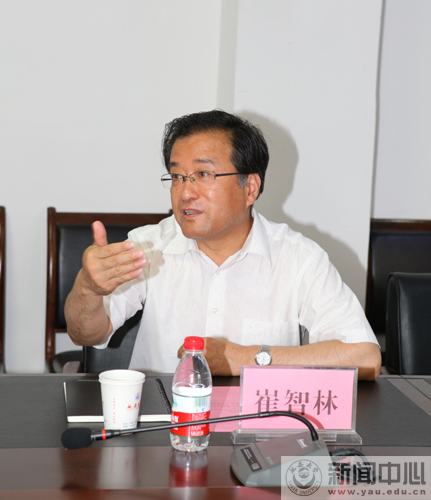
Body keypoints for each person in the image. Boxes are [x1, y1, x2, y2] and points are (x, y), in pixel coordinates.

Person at [65, 110, 381, 380]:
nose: (185, 192)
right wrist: (88, 289)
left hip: (259, 424)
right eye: (176, 176)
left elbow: (365, 357)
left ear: (250, 188)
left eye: (203, 174)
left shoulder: (298, 258)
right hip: (160, 419)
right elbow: (85, 334)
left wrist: (245, 357)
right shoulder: (148, 246)